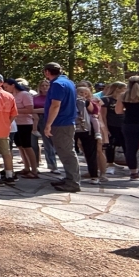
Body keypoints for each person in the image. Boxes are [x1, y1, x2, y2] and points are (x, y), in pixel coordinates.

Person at [41, 62, 81, 193]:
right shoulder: (68, 82)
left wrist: (48, 124)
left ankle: (73, 182)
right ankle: (70, 178)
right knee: (65, 151)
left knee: (67, 152)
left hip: (61, 123)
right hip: (65, 122)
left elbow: (55, 105)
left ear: (47, 72)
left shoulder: (57, 84)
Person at [4, 78, 39, 178]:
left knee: (27, 146)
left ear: (13, 85)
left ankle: (34, 170)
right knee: (20, 146)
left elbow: (30, 109)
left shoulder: (25, 94)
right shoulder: (11, 95)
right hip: (15, 124)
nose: (5, 89)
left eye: (6, 87)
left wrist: (13, 110)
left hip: (25, 124)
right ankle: (26, 167)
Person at [75, 83, 101, 184]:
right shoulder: (72, 100)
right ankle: (74, 174)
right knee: (73, 152)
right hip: (76, 127)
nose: (83, 95)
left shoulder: (88, 101)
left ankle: (94, 175)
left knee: (90, 152)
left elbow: (94, 111)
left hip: (86, 127)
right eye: (81, 92)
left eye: (85, 93)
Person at [101, 82, 127, 171]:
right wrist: (105, 128)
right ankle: (110, 162)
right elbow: (103, 115)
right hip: (111, 124)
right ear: (117, 89)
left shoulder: (125, 99)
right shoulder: (106, 99)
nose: (126, 90)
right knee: (110, 144)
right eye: (124, 88)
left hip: (123, 125)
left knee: (126, 144)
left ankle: (131, 164)